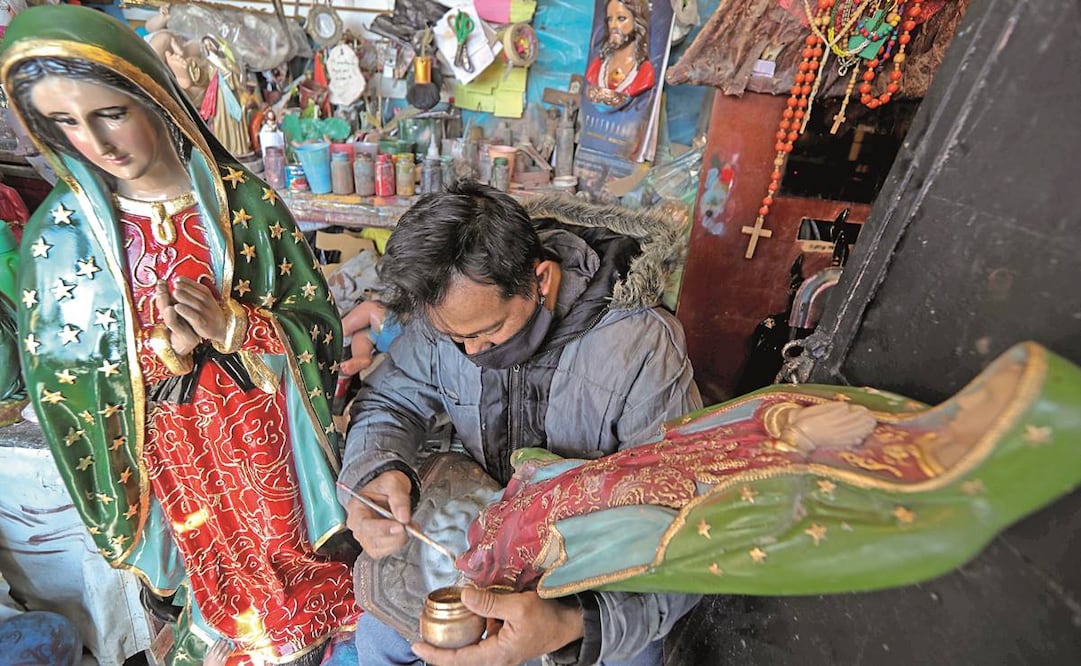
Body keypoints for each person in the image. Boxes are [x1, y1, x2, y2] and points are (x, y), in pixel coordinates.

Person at [2, 6, 356, 664]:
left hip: (259, 430)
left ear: (151, 95)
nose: (97, 143)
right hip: (164, 440)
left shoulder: (241, 203)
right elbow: (60, 371)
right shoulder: (61, 235)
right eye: (66, 124)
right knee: (203, 570)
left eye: (109, 112)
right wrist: (156, 353)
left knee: (286, 569)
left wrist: (237, 326)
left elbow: (316, 329)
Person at [338, 181, 702, 665]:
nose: (469, 353)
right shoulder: (451, 313)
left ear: (542, 280)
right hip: (481, 531)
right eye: (453, 338)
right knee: (379, 641)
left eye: (487, 332)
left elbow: (688, 527)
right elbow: (391, 399)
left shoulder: (640, 346)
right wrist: (375, 474)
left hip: (598, 562)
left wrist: (573, 626)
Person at [585, 0, 656, 105]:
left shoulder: (645, 72)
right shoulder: (596, 67)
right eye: (609, 19)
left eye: (621, 18)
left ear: (637, 22)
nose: (613, 25)